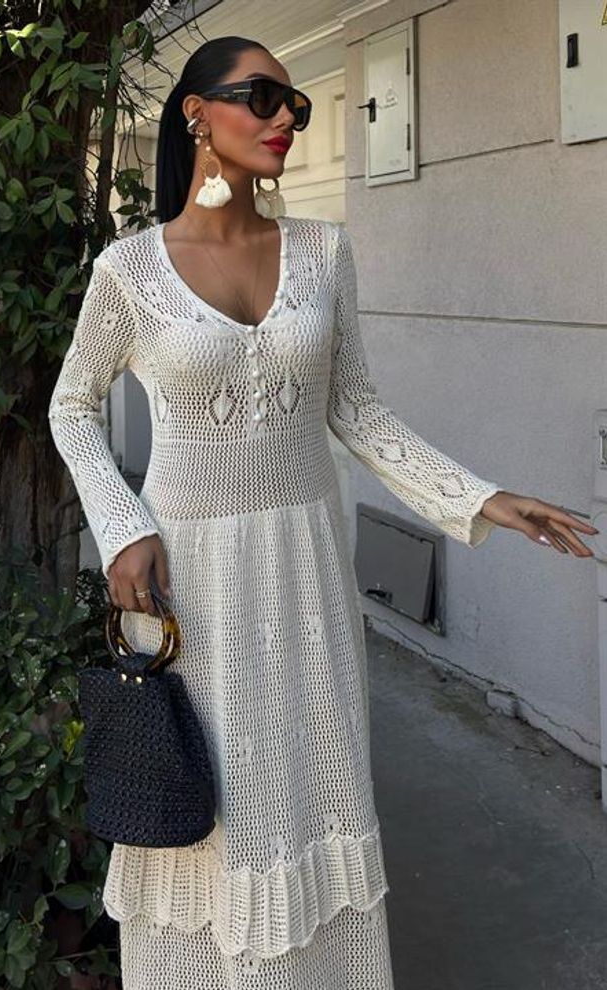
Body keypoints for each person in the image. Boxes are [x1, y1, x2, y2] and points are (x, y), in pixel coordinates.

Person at [48, 34, 598, 990]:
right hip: (189, 582)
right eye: (261, 97)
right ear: (196, 114)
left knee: (307, 793)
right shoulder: (128, 271)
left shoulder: (323, 251)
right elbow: (71, 406)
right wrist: (122, 524)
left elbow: (359, 412)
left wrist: (477, 496)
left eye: (295, 106)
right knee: (209, 808)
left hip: (304, 573)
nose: (285, 120)